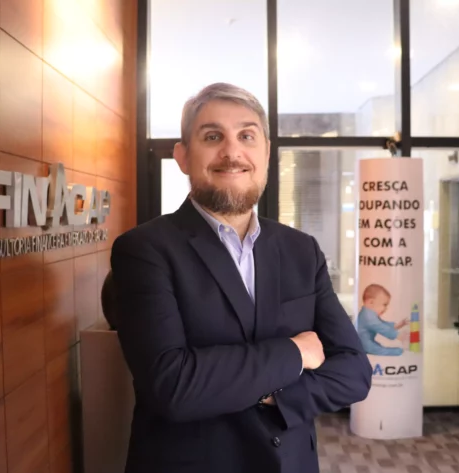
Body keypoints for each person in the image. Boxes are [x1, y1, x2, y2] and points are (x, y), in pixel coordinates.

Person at [110, 82, 372, 473]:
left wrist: (274, 396)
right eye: (212, 136)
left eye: (247, 136)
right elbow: (173, 386)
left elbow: (354, 372)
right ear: (182, 156)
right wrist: (294, 353)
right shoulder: (144, 250)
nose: (232, 152)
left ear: (266, 152)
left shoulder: (301, 250)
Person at [356, 284, 409, 356]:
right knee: (379, 350)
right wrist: (397, 335)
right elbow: (381, 327)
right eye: (384, 304)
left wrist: (397, 325)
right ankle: (397, 351)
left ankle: (397, 351)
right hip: (363, 343)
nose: (386, 308)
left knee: (376, 346)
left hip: (365, 342)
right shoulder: (367, 316)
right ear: (371, 302)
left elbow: (382, 324)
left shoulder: (368, 314)